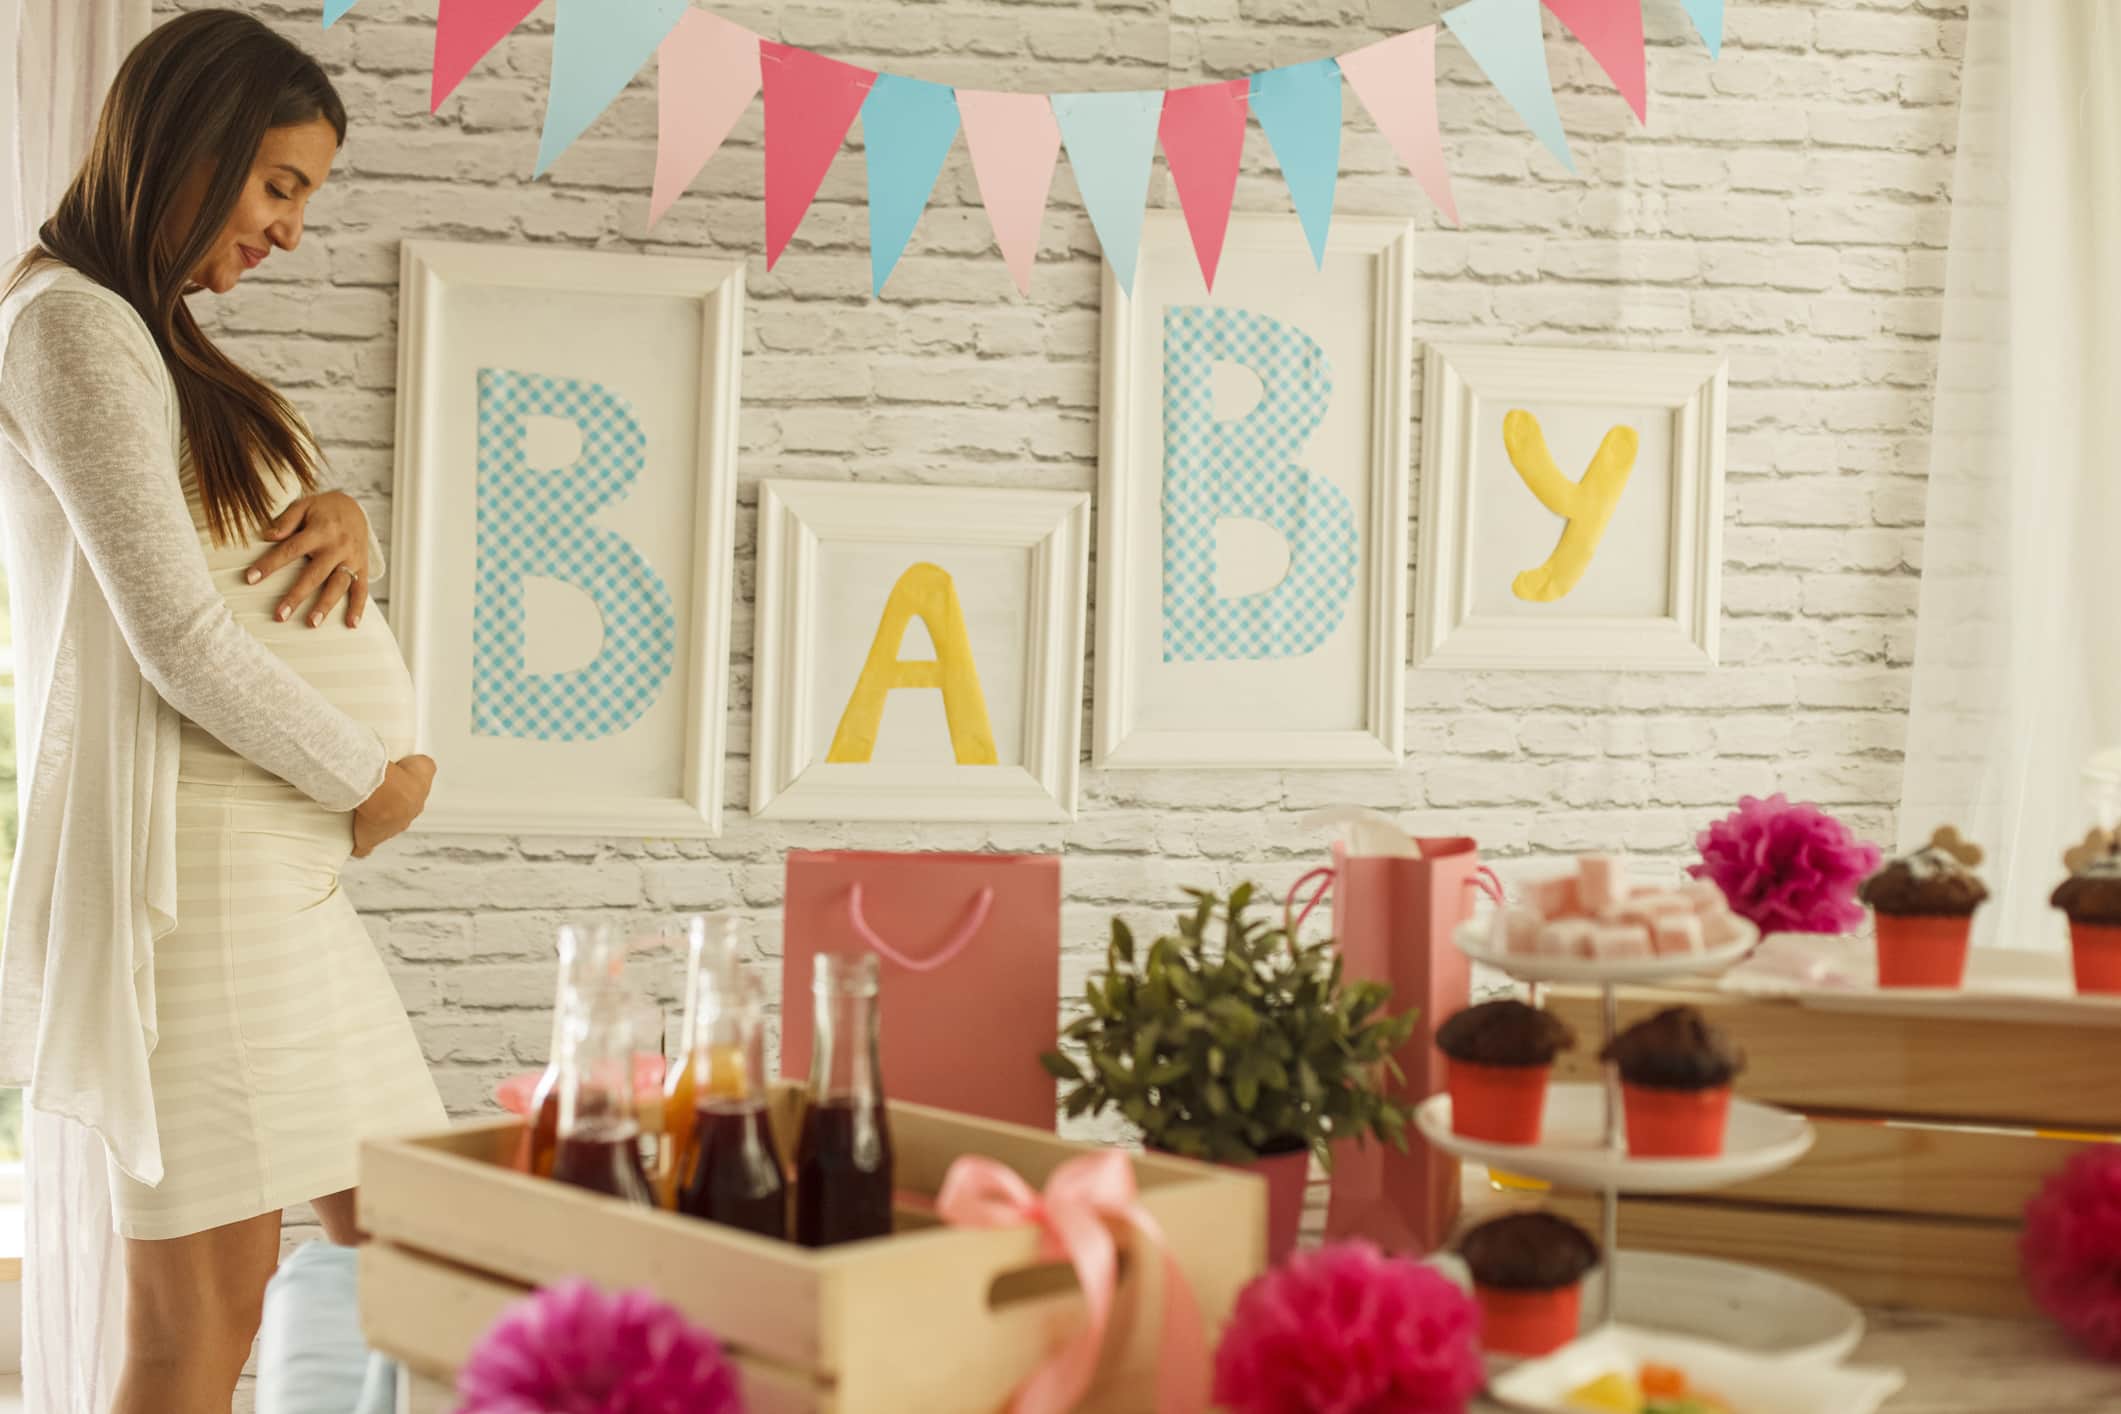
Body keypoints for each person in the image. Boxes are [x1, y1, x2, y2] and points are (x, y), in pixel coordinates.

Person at [0, 12, 445, 1410]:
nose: (294, 231)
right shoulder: (69, 324)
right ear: (189, 147)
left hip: (272, 883)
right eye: (280, 184)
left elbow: (225, 552)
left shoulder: (145, 333)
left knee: (423, 1250)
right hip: (208, 887)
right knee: (197, 1324)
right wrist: (364, 772)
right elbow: (176, 630)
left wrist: (344, 512)